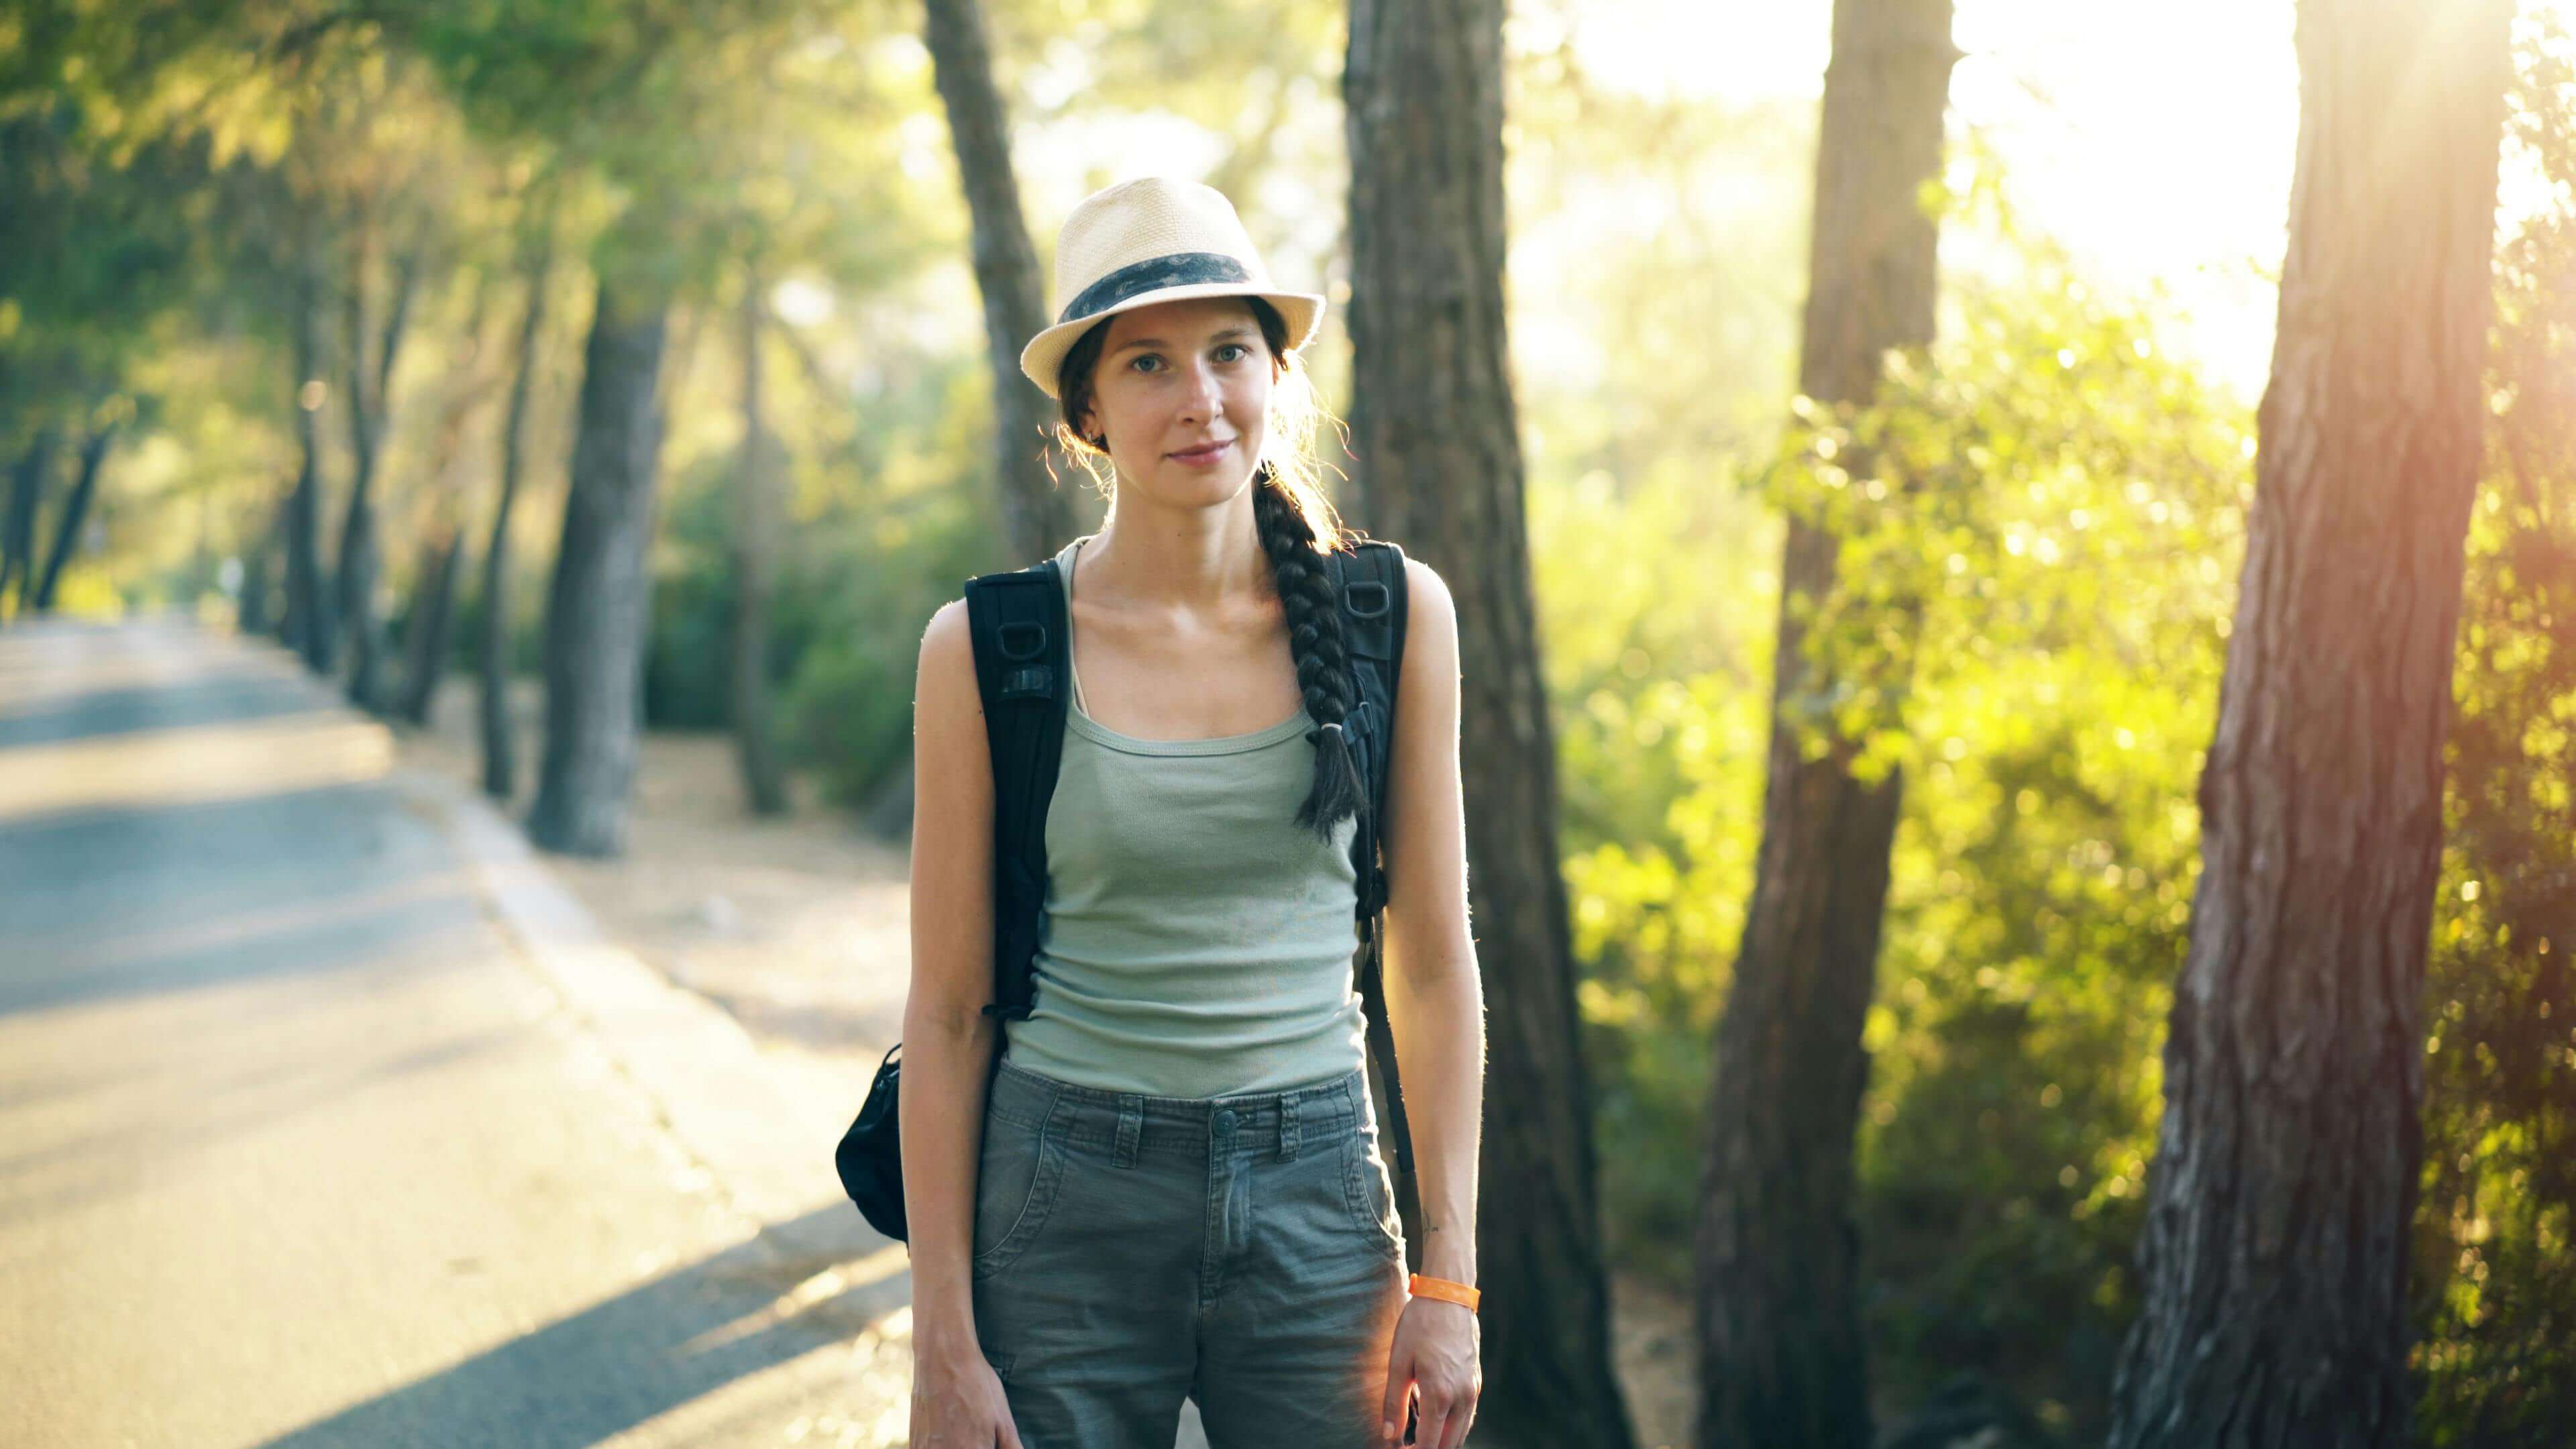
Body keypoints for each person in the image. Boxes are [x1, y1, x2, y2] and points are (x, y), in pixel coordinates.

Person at [901, 175, 1488, 1449]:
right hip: (1063, 1196)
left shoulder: (1394, 621)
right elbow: (946, 1016)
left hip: (1322, 1201)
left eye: (1230, 351)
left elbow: (1433, 967)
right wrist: (941, 1339)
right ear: (1088, 415)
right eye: (1150, 364)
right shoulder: (990, 648)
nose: (1201, 398)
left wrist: (1448, 1277)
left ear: (1277, 375)